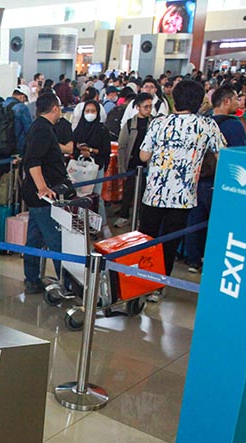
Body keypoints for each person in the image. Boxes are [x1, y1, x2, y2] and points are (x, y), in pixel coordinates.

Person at [138, 80, 225, 300]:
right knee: (169, 242)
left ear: (174, 99)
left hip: (154, 192)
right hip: (184, 196)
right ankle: (158, 287)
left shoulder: (159, 123)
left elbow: (144, 156)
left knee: (147, 238)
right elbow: (224, 156)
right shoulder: (207, 125)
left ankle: (138, 280)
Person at [184, 86, 246, 273]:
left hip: (198, 179)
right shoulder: (233, 125)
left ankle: (193, 259)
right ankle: (214, 261)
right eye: (236, 99)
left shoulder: (202, 122)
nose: (238, 103)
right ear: (226, 101)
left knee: (194, 221)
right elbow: (237, 157)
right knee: (219, 223)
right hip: (219, 182)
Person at [21, 93, 73, 294]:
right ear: (55, 108)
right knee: (55, 240)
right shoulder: (42, 129)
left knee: (34, 238)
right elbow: (33, 160)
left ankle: (32, 278)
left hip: (36, 195)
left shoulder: (39, 127)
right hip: (42, 196)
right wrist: (43, 188)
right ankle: (68, 285)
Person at [114, 92, 153, 228]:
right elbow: (122, 146)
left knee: (145, 193)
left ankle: (141, 219)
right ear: (137, 107)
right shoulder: (130, 124)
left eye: (150, 107)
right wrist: (121, 168)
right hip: (132, 164)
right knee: (128, 192)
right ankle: (124, 216)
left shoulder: (154, 123)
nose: (148, 110)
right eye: (145, 107)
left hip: (148, 165)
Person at [71, 100, 111, 219]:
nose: (90, 114)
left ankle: (101, 224)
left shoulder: (102, 129)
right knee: (81, 196)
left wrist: (91, 150)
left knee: (96, 196)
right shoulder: (79, 128)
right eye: (87, 111)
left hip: (96, 166)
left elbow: (105, 150)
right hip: (80, 167)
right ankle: (82, 223)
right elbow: (73, 147)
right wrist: (79, 148)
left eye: (93, 111)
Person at [3, 85, 34, 156]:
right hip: (18, 146)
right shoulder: (22, 107)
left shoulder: (2, 104)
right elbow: (29, 129)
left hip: (3, 145)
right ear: (22, 96)